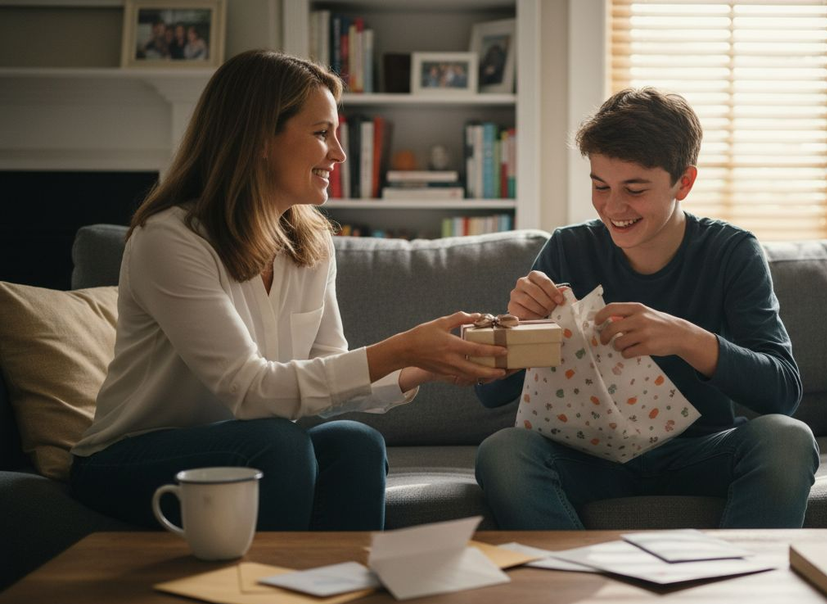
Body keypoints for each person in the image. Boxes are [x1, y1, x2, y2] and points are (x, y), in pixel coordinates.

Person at [69, 50, 507, 532]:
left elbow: (329, 378)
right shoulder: (171, 239)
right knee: (279, 443)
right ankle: (275, 578)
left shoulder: (311, 242)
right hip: (129, 459)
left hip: (253, 445)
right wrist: (401, 347)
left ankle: (346, 577)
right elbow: (251, 392)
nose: (338, 154)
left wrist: (426, 365)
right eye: (321, 133)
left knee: (355, 442)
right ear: (258, 138)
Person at [474, 87, 820, 530]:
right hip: (586, 460)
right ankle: (569, 571)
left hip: (701, 453)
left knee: (788, 439)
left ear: (684, 183)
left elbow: (783, 393)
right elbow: (490, 396)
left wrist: (687, 339)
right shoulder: (568, 250)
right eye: (600, 186)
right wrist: (518, 330)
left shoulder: (731, 252)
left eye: (634, 189)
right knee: (503, 451)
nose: (613, 207)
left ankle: (742, 572)